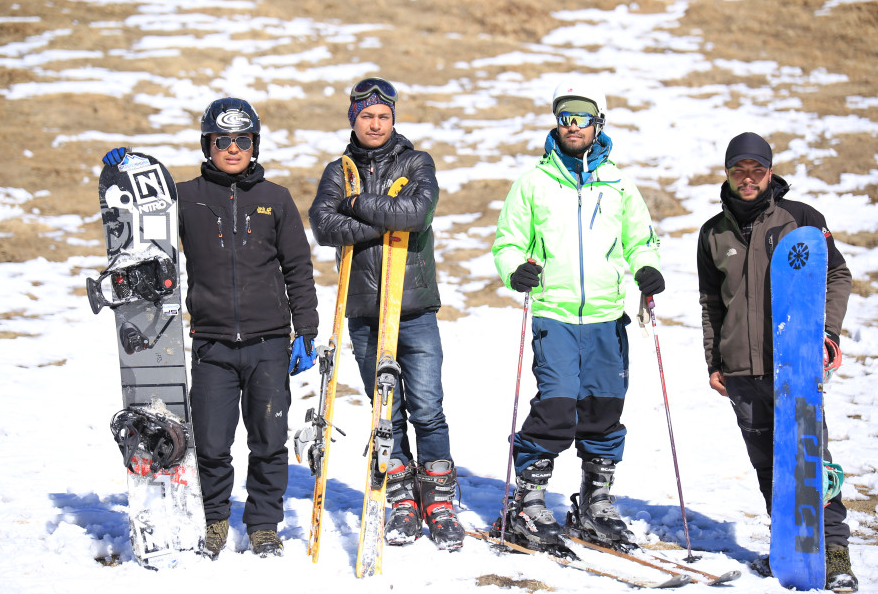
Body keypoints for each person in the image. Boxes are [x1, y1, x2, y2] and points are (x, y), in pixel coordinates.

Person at [102, 97, 320, 559]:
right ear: (209, 144)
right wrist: (131, 173)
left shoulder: (275, 198)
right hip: (212, 344)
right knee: (212, 444)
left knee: (268, 442)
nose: (234, 148)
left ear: (254, 144)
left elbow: (298, 267)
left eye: (243, 140)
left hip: (268, 344)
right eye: (224, 141)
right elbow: (146, 224)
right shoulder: (187, 197)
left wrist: (306, 328)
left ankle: (263, 525)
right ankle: (215, 520)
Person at [492, 79, 664, 548]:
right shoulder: (533, 182)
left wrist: (647, 270)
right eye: (564, 116)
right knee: (557, 406)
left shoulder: (618, 184)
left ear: (598, 123)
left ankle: (595, 502)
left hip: (608, 317)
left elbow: (641, 241)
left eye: (582, 117)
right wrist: (515, 271)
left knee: (604, 408)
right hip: (556, 313)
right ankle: (527, 503)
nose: (572, 125)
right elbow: (507, 243)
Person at [308, 77, 464, 551]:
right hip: (363, 309)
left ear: (393, 119)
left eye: (383, 116)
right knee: (385, 412)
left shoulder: (417, 162)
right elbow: (322, 223)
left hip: (414, 307)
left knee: (428, 407)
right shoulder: (339, 170)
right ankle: (399, 498)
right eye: (366, 116)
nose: (375, 124)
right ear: (352, 118)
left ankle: (438, 501)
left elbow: (416, 211)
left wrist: (355, 206)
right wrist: (381, 214)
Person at [696, 132, 857, 592]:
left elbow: (837, 274)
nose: (747, 179)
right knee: (769, 467)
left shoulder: (802, 219)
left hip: (795, 367)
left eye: (756, 170)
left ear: (770, 172)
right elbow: (711, 302)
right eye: (738, 171)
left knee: (809, 462)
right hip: (741, 371)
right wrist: (715, 360)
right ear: (727, 174)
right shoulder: (713, 232)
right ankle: (788, 545)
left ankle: (837, 552)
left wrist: (825, 335)